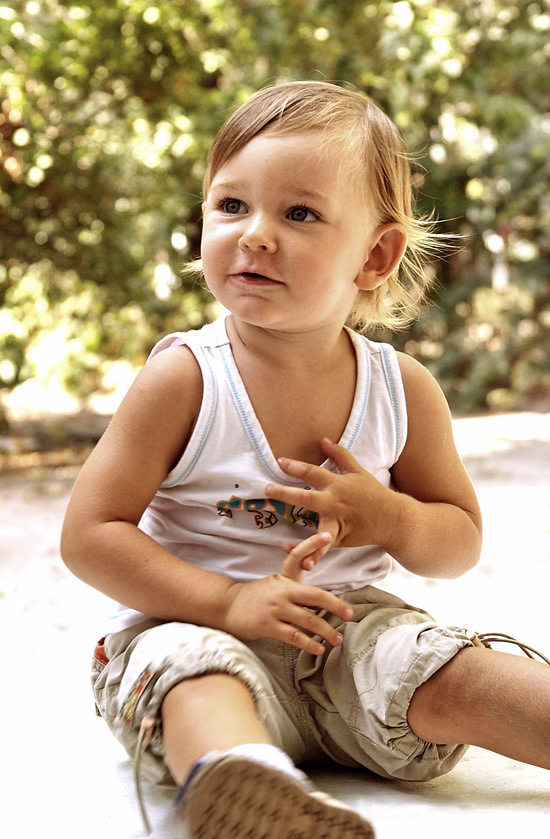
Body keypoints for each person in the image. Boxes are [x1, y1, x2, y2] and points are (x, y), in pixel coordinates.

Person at [61, 81, 550, 839]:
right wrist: (227, 602)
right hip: (194, 623)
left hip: (349, 635)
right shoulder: (185, 378)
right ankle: (247, 788)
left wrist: (392, 518)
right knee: (191, 675)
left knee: (460, 671)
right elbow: (90, 534)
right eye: (231, 205)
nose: (255, 234)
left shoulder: (402, 390)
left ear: (375, 255)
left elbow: (458, 543)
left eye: (298, 214)